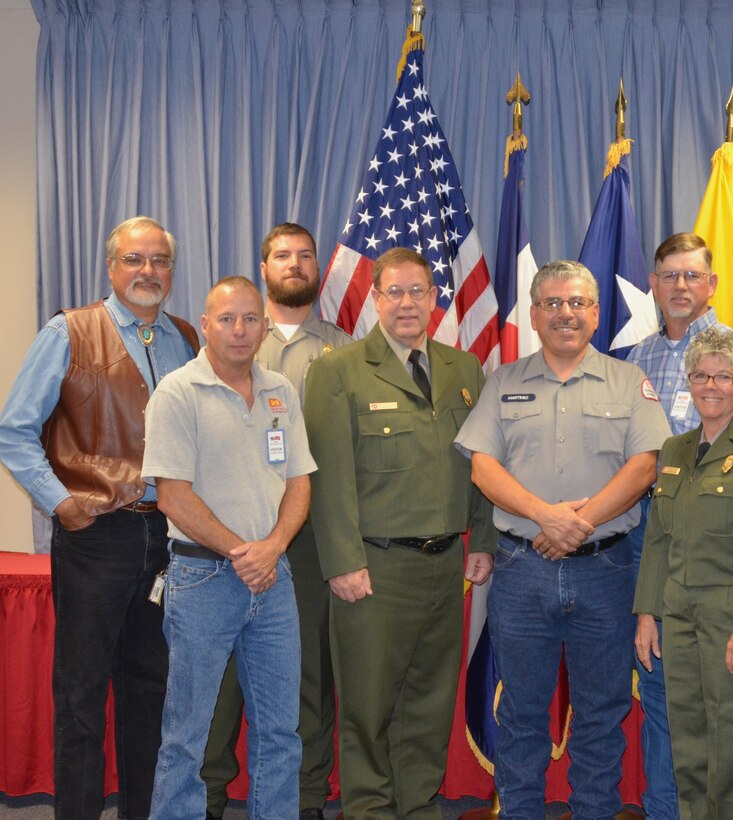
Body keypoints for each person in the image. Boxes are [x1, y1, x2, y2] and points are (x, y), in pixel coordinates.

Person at [454, 260, 671, 818]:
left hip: (606, 570)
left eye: (577, 303)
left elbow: (645, 466)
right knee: (522, 711)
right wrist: (544, 517)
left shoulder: (629, 382)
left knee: (602, 709)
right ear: (533, 314)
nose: (565, 314)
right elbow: (483, 468)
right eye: (552, 304)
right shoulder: (503, 381)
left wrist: (579, 523)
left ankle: (595, 810)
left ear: (596, 313)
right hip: (521, 569)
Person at [0, 216, 198, 820]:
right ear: (111, 267)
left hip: (168, 538)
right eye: (135, 259)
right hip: (96, 539)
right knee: (81, 699)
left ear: (171, 269)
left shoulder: (186, 337)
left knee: (150, 695)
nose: (148, 271)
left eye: (159, 260)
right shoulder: (68, 332)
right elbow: (14, 431)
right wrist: (60, 502)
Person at [304, 247, 496, 819]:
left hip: (443, 563)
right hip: (374, 564)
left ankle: (417, 805)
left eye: (418, 291)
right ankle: (368, 808)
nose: (407, 303)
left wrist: (482, 539)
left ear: (435, 299)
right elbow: (329, 473)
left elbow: (482, 461)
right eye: (395, 292)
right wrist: (341, 560)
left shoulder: (464, 369)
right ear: (376, 298)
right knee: (367, 701)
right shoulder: (338, 371)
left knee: (430, 699)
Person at [143, 277, 317, 819]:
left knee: (281, 731)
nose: (239, 330)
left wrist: (274, 547)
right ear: (205, 322)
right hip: (203, 581)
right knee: (186, 736)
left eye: (249, 319)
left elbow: (299, 481)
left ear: (264, 326)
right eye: (226, 319)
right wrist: (249, 552)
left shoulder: (279, 392)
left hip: (274, 580)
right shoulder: (176, 391)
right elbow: (172, 496)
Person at [627, 232, 733, 818]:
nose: (681, 286)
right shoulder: (637, 359)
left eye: (693, 275)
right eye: (670, 275)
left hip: (729, 572)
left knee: (732, 726)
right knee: (676, 714)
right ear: (655, 284)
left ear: (711, 284)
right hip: (660, 559)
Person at [201, 224, 351, 820]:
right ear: (263, 267)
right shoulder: (229, 343)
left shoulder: (344, 348)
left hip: (309, 537)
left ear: (318, 268)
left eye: (305, 256)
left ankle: (306, 798)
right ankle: (210, 792)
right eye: (282, 255)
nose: (295, 264)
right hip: (228, 538)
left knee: (309, 672)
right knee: (220, 675)